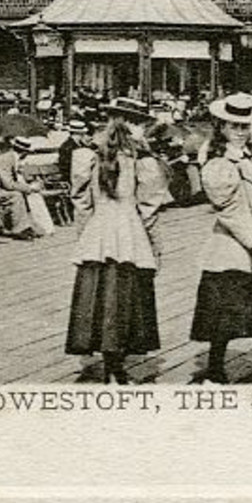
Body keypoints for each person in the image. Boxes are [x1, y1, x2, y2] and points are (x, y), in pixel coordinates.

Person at [65, 105, 172, 385]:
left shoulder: (87, 156)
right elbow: (149, 207)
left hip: (98, 232)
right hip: (129, 233)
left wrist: (86, 235)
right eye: (142, 125)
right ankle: (117, 365)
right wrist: (153, 246)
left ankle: (106, 360)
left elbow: (81, 202)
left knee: (99, 297)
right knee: (125, 298)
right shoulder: (142, 161)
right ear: (133, 127)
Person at [190, 93, 252, 384]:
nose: (240, 132)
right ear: (221, 126)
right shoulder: (218, 162)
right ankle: (215, 369)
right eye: (234, 126)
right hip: (232, 245)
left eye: (244, 126)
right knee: (223, 311)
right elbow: (228, 210)